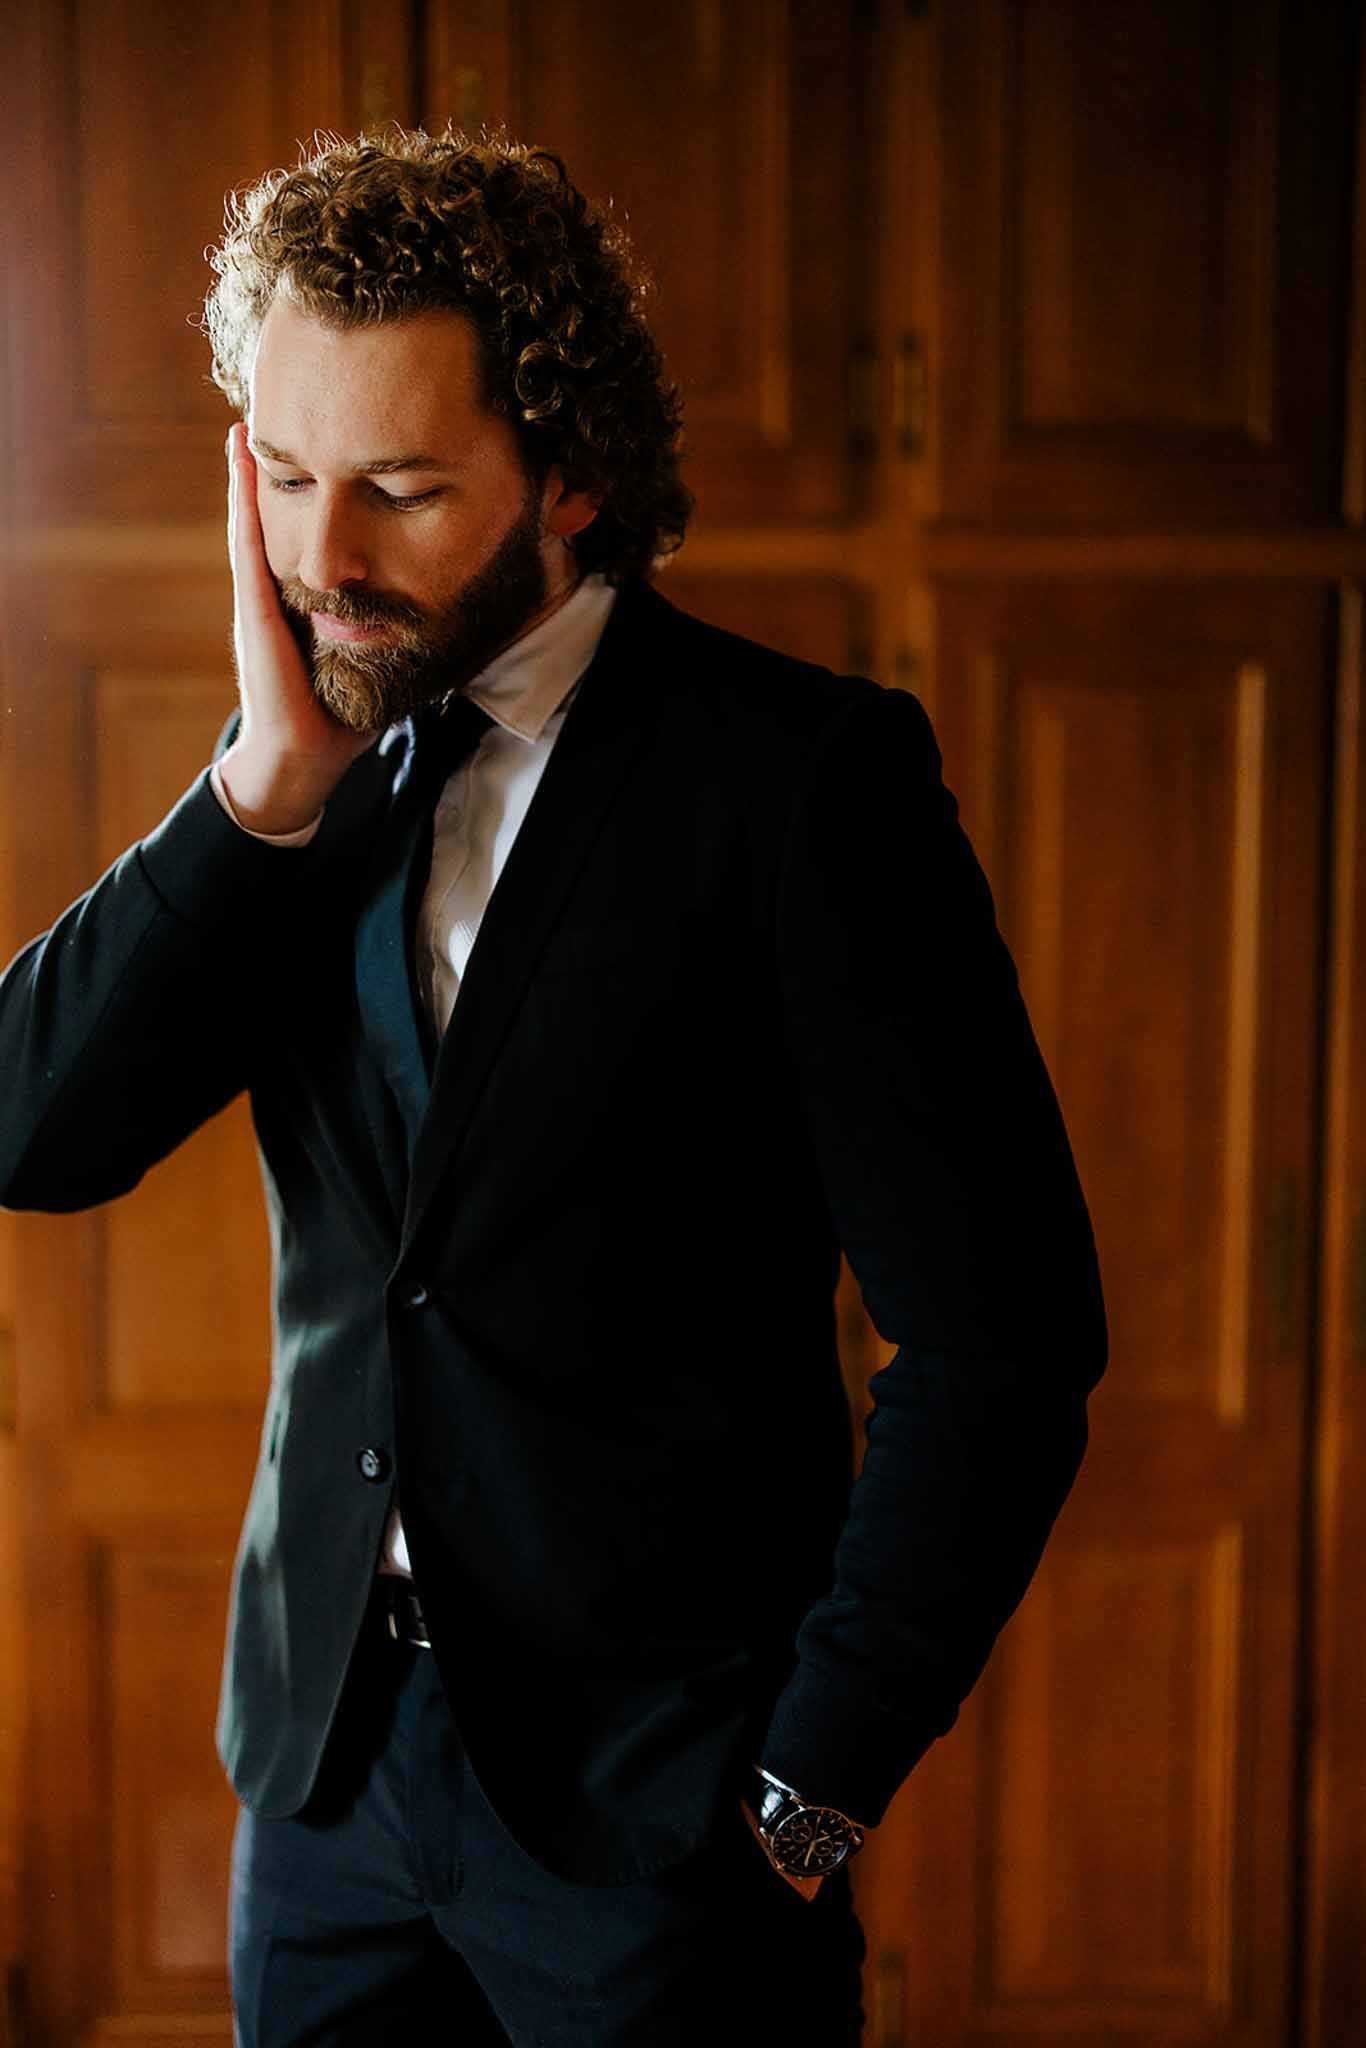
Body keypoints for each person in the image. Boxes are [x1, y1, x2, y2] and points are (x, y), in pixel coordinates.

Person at [0, 128, 1107, 2045]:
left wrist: (805, 1794)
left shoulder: (804, 788)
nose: (320, 559)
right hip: (325, 1780)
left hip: (666, 1828)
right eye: (277, 473)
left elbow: (1001, 1346)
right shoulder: (307, 767)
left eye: (403, 492)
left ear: (576, 473)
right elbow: (30, 1132)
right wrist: (261, 786)